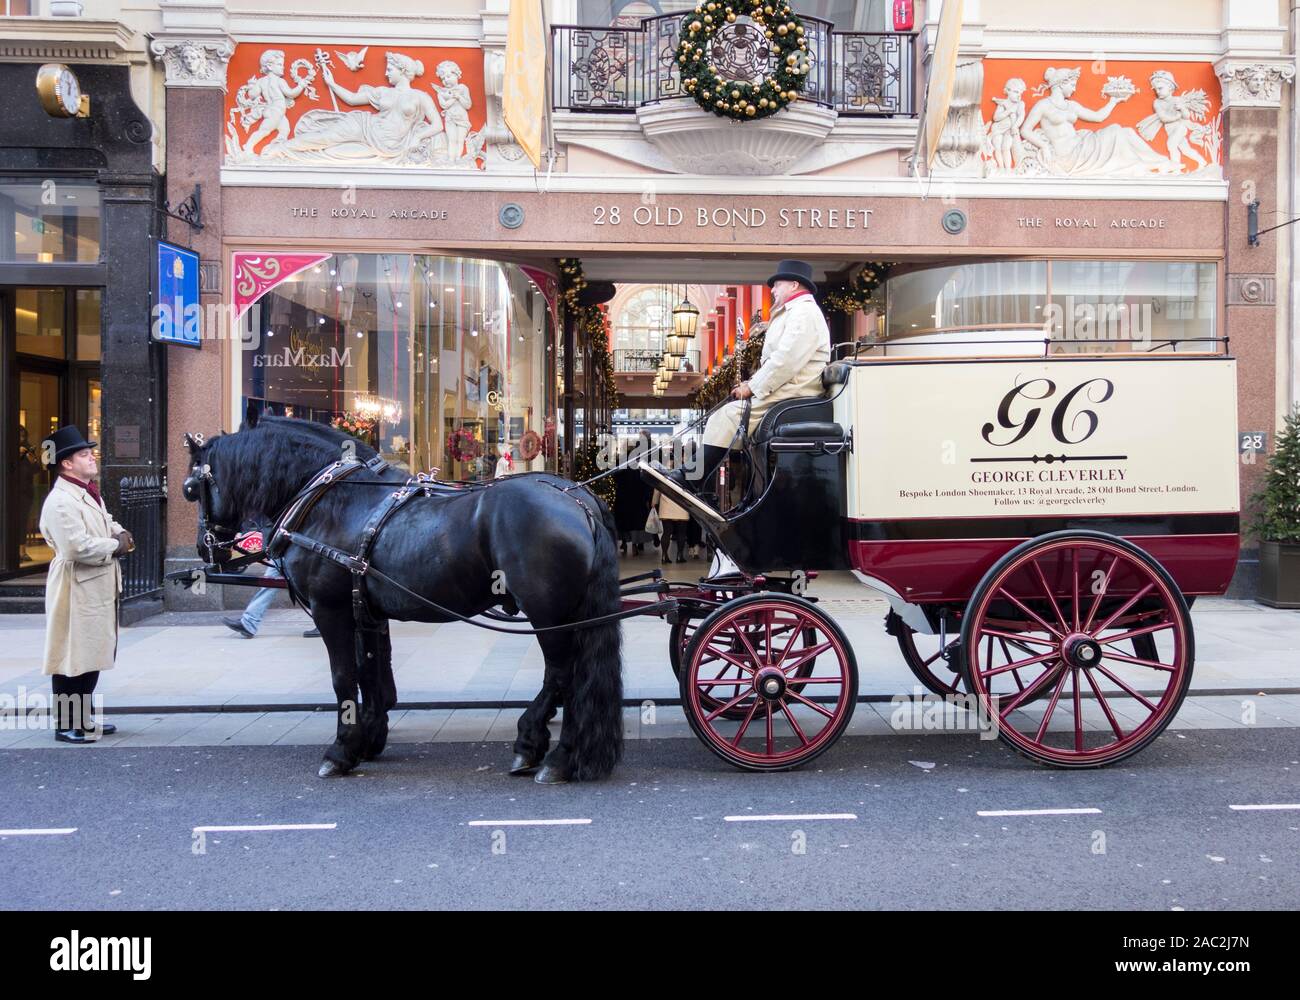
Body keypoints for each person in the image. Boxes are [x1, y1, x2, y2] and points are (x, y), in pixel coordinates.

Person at [639, 259, 831, 523]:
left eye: (777, 284)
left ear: (794, 284)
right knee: (726, 415)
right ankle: (698, 481)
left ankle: (693, 480)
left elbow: (786, 360)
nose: (773, 290)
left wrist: (752, 387)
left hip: (796, 391)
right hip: (787, 387)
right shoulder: (792, 312)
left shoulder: (804, 312)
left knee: (729, 416)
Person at [38, 426, 130, 743]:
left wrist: (119, 536)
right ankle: (66, 724)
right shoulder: (61, 502)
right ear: (66, 463)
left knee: (90, 655)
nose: (92, 458)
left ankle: (84, 718)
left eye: (90, 452)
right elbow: (76, 547)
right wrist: (116, 545)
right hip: (75, 587)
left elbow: (108, 525)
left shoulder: (87, 491)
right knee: (70, 657)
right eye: (84, 454)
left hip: (95, 587)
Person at [223, 560, 319, 639]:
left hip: (298, 547)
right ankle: (249, 622)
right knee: (269, 582)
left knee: (272, 583)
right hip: (286, 549)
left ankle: (249, 622)